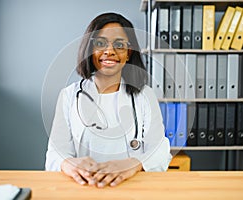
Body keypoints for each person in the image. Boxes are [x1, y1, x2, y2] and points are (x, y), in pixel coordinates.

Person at [45, 12, 172, 188]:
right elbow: (55, 154)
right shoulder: (69, 95)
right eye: (100, 43)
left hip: (131, 187)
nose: (109, 51)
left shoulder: (145, 95)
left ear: (128, 53)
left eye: (119, 45)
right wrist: (69, 164)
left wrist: (133, 164)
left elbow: (160, 150)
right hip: (84, 188)